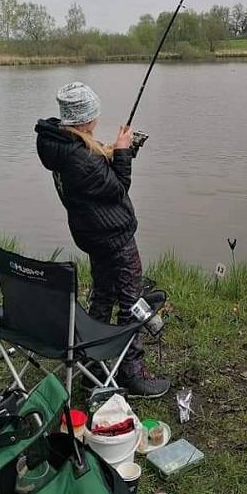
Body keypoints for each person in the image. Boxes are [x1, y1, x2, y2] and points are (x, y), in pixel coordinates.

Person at [35, 81, 170, 398]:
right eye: (94, 112)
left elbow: (97, 175)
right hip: (114, 237)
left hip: (94, 234)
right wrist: (122, 153)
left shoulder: (64, 145)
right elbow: (117, 187)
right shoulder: (81, 159)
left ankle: (90, 363)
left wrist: (118, 151)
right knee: (132, 301)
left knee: (104, 296)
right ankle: (131, 373)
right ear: (84, 118)